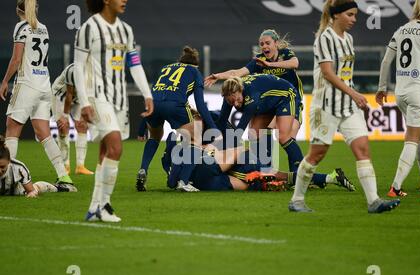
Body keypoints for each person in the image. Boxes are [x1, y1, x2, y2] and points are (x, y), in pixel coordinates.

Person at [289, 0, 400, 214]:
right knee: (316, 155)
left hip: (348, 106)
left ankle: (373, 201)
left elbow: (345, 75)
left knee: (362, 149)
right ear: (337, 15)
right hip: (326, 105)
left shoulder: (348, 39)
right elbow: (328, 73)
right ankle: (297, 200)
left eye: (355, 15)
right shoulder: (324, 38)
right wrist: (355, 94)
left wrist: (354, 97)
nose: (354, 19)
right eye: (350, 15)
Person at [74, 0, 154, 222]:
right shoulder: (89, 27)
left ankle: (93, 208)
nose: (125, 0)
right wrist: (84, 102)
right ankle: (105, 206)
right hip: (97, 97)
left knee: (105, 151)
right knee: (116, 147)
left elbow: (135, 64)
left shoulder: (126, 30)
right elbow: (79, 66)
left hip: (120, 100)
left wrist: (147, 94)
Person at [376, 0, 420, 197]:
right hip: (419, 92)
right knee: (413, 138)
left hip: (401, 91)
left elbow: (386, 61)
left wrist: (382, 88)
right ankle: (395, 187)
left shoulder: (401, 30)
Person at [205, 29, 304, 171]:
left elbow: (295, 64)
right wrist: (218, 76)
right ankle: (266, 170)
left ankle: (298, 175)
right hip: (268, 102)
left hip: (290, 98)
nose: (264, 46)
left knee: (286, 137)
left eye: (267, 43)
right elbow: (237, 73)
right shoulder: (258, 61)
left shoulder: (285, 54)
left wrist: (270, 65)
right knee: (257, 133)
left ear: (276, 43)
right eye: (261, 44)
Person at [0, 0, 73, 187]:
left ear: (18, 10)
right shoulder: (43, 28)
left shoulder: (21, 27)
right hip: (43, 85)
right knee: (44, 133)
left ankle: (8, 179)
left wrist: (5, 80)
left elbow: (17, 59)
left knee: (12, 129)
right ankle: (64, 176)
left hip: (27, 84)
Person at [135, 46, 219, 192]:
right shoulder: (195, 72)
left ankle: (143, 169)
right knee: (195, 139)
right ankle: (184, 182)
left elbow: (153, 94)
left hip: (154, 105)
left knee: (154, 137)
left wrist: (141, 129)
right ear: (195, 64)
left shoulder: (166, 68)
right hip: (175, 106)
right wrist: (213, 127)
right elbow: (200, 105)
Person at [51, 63, 94, 175]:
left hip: (78, 96)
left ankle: (80, 166)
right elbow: (69, 94)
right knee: (63, 127)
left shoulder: (96, 71)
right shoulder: (73, 70)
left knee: (82, 125)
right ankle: (65, 166)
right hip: (61, 95)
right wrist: (65, 116)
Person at [0, 135, 77, 197]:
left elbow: (31, 191)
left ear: (9, 161)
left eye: (2, 167)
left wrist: (32, 193)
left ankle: (62, 187)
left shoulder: (19, 168)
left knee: (37, 188)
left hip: (18, 192)